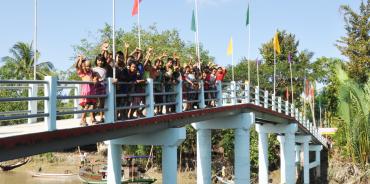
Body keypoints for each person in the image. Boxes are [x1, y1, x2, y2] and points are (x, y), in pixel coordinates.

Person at [75, 56, 97, 126]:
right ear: (84, 66)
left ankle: (91, 118)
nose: (88, 67)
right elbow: (77, 66)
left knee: (92, 105)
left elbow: (95, 76)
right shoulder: (83, 73)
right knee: (86, 106)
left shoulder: (91, 72)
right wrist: (80, 59)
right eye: (87, 66)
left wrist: (95, 79)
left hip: (91, 91)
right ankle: (82, 120)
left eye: (89, 66)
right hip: (86, 91)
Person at [92, 54, 107, 123]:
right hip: (95, 87)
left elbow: (104, 78)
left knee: (102, 103)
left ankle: (101, 117)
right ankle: (92, 117)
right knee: (94, 103)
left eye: (102, 61)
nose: (100, 62)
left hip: (102, 87)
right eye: (99, 60)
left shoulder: (105, 69)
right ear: (96, 61)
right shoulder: (93, 69)